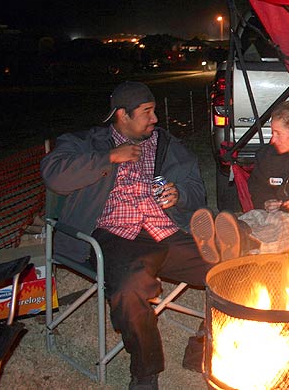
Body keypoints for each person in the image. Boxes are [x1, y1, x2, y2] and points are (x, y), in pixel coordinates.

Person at [40, 81, 211, 389]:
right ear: (122, 115)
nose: (155, 118)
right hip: (114, 235)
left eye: (154, 110)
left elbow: (197, 192)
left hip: (165, 230)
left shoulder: (168, 146)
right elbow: (55, 175)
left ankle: (207, 338)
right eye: (147, 112)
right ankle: (146, 372)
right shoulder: (86, 142)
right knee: (128, 291)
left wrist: (180, 195)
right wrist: (109, 159)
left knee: (229, 270)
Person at [191, 100, 289, 257]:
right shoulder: (268, 155)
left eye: (278, 133)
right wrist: (266, 200)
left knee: (277, 231)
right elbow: (257, 185)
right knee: (250, 219)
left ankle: (240, 243)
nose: (273, 139)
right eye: (272, 132)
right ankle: (219, 237)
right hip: (267, 212)